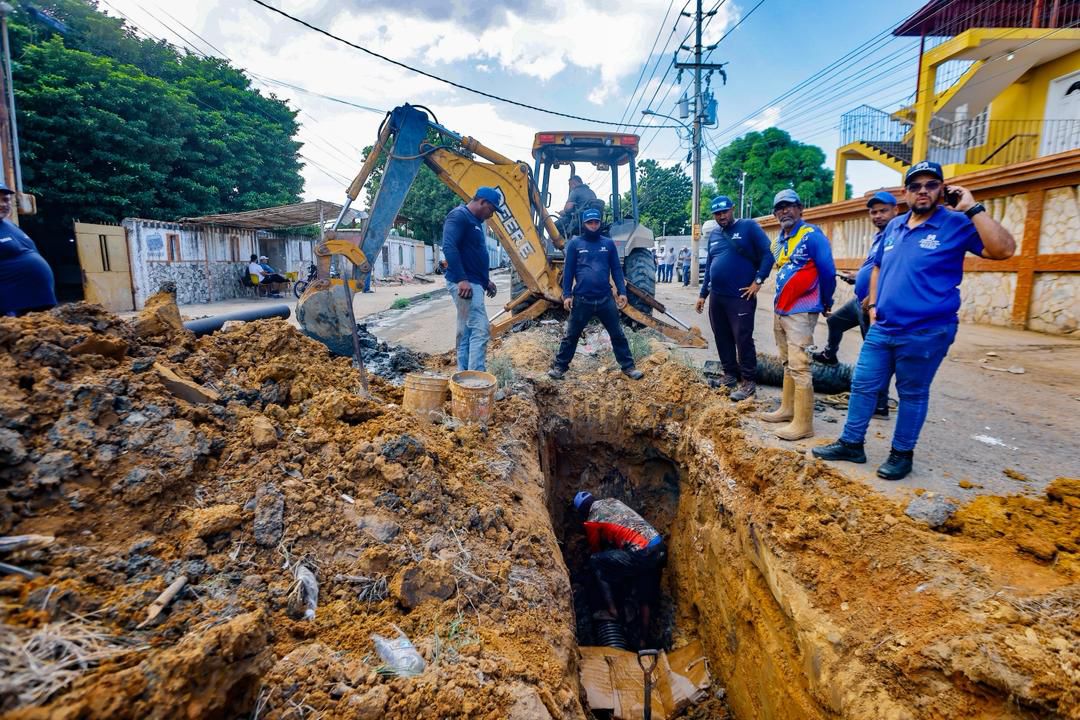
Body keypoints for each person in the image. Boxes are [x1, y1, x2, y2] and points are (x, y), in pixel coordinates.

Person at [814, 161, 1016, 480]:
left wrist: (973, 207)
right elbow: (878, 266)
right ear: (906, 192)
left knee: (912, 393)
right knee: (863, 385)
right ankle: (851, 443)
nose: (923, 191)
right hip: (884, 327)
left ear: (943, 189)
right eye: (915, 186)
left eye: (931, 184)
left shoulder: (957, 223)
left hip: (926, 332)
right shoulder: (894, 226)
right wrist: (874, 305)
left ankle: (901, 454)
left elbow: (1004, 250)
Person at [811, 191, 898, 418]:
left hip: (873, 306)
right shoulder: (880, 237)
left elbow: (894, 274)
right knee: (835, 322)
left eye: (883, 211)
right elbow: (876, 267)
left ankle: (880, 405)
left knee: (876, 357)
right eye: (874, 211)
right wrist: (858, 275)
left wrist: (872, 301)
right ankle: (830, 354)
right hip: (860, 302)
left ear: (895, 211)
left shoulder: (898, 236)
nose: (877, 215)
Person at [760, 189, 836, 441]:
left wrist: (826, 300)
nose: (784, 211)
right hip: (781, 308)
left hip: (802, 310)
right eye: (779, 207)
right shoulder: (778, 241)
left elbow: (827, 270)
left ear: (800, 208)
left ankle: (803, 424)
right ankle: (787, 409)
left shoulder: (811, 236)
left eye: (789, 206)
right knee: (786, 362)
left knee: (800, 364)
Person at [548, 208, 644, 380]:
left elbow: (616, 269)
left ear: (600, 223)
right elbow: (568, 271)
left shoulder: (608, 244)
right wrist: (567, 294)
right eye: (589, 222)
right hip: (582, 300)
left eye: (596, 222)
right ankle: (560, 368)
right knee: (571, 336)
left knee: (618, 335)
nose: (593, 225)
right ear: (584, 224)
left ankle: (629, 368)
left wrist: (622, 291)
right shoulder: (575, 244)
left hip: (605, 299)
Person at [695, 195, 773, 402]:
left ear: (732, 209)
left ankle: (748, 382)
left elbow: (768, 255)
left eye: (725, 211)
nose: (722, 216)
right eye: (717, 213)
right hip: (717, 297)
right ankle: (730, 375)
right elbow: (711, 268)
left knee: (743, 338)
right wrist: (703, 295)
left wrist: (758, 281)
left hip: (740, 296)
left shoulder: (748, 227)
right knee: (722, 336)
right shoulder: (714, 235)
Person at [574, 491, 665, 646]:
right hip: (659, 547)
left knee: (596, 561)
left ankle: (612, 611)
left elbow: (596, 551)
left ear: (583, 512)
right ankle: (643, 641)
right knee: (645, 598)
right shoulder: (612, 500)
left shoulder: (592, 521)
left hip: (642, 553)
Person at [442, 187, 500, 372]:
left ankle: (464, 376)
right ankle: (476, 379)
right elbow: (449, 246)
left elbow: (473, 254)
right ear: (482, 202)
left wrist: (485, 281)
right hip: (465, 285)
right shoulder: (459, 216)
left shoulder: (475, 221)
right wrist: (461, 279)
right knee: (481, 330)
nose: (491, 214)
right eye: (491, 209)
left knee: (466, 332)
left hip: (474, 282)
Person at [0, 183, 56, 316]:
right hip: (10, 305)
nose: (3, 204)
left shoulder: (8, 224)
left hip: (34, 301)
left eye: (6, 199)